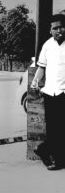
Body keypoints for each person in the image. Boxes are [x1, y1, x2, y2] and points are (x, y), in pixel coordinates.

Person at [31, 13, 65, 171]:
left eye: (62, 27)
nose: (59, 30)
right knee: (53, 128)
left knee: (61, 128)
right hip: (50, 93)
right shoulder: (47, 46)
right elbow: (41, 67)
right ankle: (56, 159)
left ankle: (44, 150)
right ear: (50, 30)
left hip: (64, 92)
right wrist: (35, 82)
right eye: (55, 28)